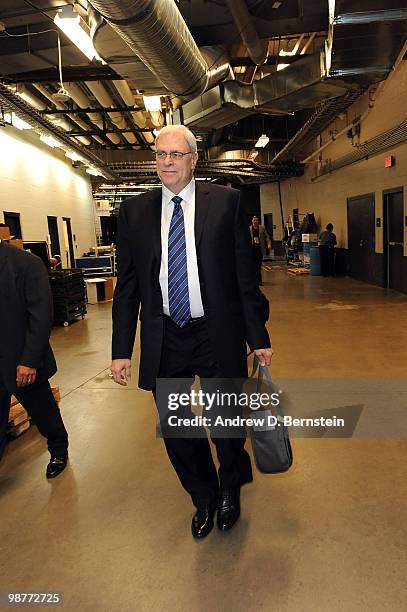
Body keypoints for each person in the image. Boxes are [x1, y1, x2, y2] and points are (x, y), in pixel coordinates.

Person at [111, 125, 272, 539]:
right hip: (166, 335)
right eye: (160, 154)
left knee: (226, 423)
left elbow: (244, 277)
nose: (167, 161)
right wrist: (121, 349)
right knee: (178, 425)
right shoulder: (134, 212)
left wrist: (259, 336)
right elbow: (127, 285)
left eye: (176, 154)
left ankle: (230, 489)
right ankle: (203, 494)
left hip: (215, 331)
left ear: (193, 159)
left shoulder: (226, 203)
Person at [0, 239, 69, 478]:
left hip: (20, 361)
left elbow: (41, 315)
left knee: (44, 413)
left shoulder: (25, 263)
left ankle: (59, 450)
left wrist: (29, 360)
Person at [249, 215, 270, 285]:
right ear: (252, 221)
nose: (255, 221)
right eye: (254, 220)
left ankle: (259, 281)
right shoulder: (249, 229)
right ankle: (254, 280)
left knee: (258, 266)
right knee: (253, 266)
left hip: (259, 250)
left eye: (257, 220)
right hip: (252, 250)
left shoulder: (262, 228)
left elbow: (267, 236)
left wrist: (268, 243)